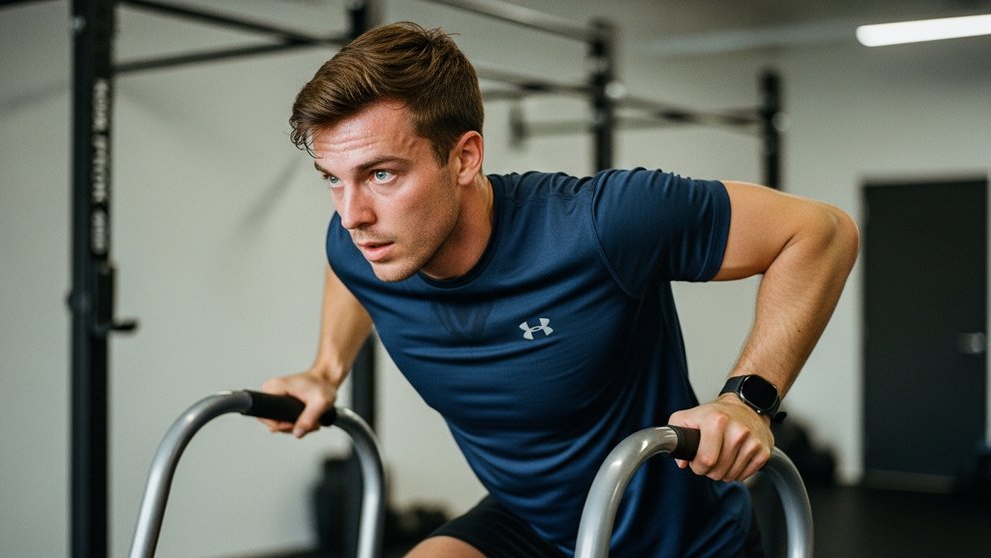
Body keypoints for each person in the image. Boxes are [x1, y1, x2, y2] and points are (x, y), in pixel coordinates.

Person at [260, 21, 858, 558]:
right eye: (333, 181)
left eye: (381, 174)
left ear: (465, 157)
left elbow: (821, 232)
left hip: (677, 540)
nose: (352, 214)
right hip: (532, 524)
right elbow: (348, 268)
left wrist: (746, 400)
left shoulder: (600, 223)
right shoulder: (360, 241)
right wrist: (325, 369)